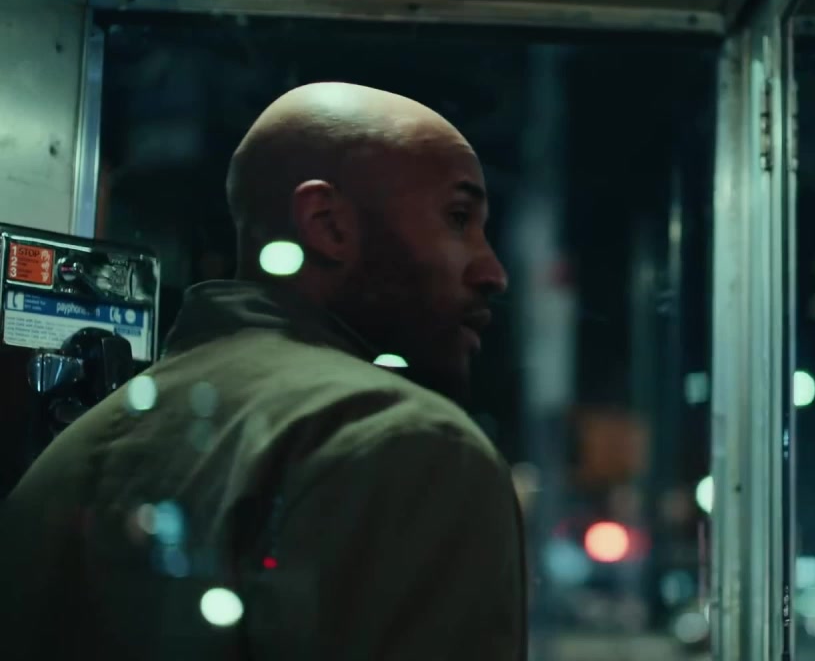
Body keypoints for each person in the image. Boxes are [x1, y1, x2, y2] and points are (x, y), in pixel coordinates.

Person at [0, 83, 526, 660]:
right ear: (327, 224)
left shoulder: (66, 461)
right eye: (458, 217)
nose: (492, 272)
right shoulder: (411, 445)